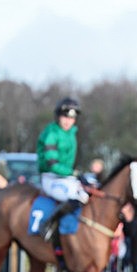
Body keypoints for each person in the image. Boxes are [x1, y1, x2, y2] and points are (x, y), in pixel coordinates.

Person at [36, 97, 89, 241]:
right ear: (58, 116)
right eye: (65, 116)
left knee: (87, 195)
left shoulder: (72, 134)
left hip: (65, 177)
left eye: (72, 118)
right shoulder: (51, 133)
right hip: (50, 177)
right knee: (73, 196)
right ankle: (48, 225)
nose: (68, 121)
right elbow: (53, 164)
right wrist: (74, 173)